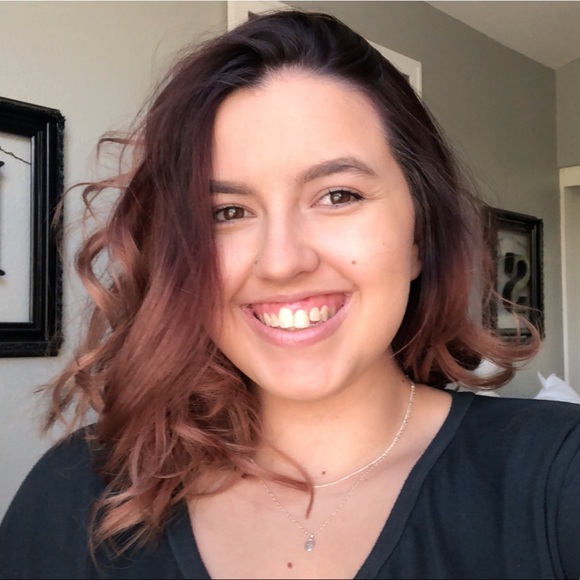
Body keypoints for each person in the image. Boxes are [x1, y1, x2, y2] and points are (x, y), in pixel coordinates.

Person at [1, 10, 579, 580]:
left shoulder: (557, 474)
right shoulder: (76, 492)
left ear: (418, 237)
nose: (281, 262)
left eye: (338, 196)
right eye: (227, 212)